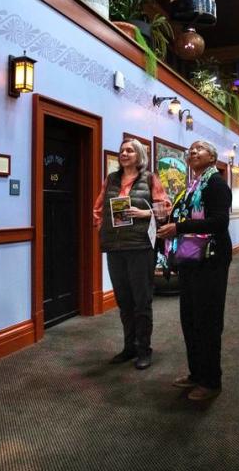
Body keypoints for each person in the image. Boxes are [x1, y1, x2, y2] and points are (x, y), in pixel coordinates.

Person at [156, 140, 232, 401]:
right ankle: (196, 373)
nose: (193, 152)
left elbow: (220, 222)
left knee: (208, 321)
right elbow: (185, 218)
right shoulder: (191, 187)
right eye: (190, 149)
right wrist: (170, 218)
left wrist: (178, 227)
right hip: (190, 259)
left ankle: (211, 381)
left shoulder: (216, 184)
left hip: (211, 260)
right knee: (190, 319)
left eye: (199, 148)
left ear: (212, 157)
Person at [93, 138, 170, 370]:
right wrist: (101, 226)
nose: (124, 153)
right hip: (115, 248)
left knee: (141, 300)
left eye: (130, 150)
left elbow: (165, 207)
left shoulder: (150, 178)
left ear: (139, 155)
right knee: (124, 300)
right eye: (122, 150)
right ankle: (130, 347)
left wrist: (144, 213)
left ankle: (144, 349)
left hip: (140, 247)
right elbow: (98, 209)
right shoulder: (111, 179)